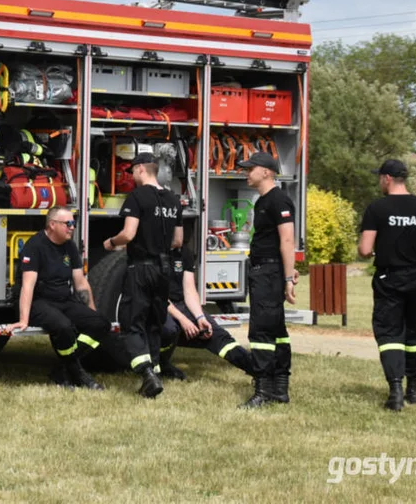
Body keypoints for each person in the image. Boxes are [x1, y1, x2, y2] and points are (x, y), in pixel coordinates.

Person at [358, 158, 416, 411]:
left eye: (380, 178)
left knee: (389, 334)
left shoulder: (377, 208)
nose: (379, 182)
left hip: (389, 278)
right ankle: (414, 390)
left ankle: (395, 389)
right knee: (414, 334)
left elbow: (365, 250)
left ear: (387, 178)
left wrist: (377, 251)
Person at [8, 206, 124, 390]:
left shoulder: (69, 246)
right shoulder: (35, 246)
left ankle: (65, 368)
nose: (72, 227)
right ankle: (78, 373)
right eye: (68, 223)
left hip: (63, 300)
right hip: (39, 302)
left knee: (101, 324)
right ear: (52, 225)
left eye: (73, 223)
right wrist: (23, 318)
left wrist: (91, 311)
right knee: (64, 327)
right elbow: (27, 286)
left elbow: (81, 284)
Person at [103, 151, 183, 398]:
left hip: (140, 268)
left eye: (132, 172)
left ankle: (147, 373)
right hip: (164, 269)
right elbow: (178, 240)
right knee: (154, 323)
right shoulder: (173, 199)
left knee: (132, 322)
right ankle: (156, 372)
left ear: (140, 170)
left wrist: (111, 242)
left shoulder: (136, 197)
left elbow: (128, 234)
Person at [236, 150, 297, 408]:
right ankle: (279, 388)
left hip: (269, 273)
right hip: (265, 271)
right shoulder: (262, 201)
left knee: (261, 330)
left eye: (251, 168)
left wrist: (288, 278)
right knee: (276, 330)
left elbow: (287, 240)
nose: (246, 173)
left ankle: (263, 390)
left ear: (266, 172)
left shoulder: (278, 200)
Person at [157, 246, 256, 381]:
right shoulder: (154, 252)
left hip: (181, 304)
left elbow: (189, 290)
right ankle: (159, 364)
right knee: (169, 329)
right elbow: (158, 295)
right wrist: (183, 320)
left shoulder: (184, 252)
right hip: (160, 305)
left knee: (216, 334)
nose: (181, 233)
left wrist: (200, 317)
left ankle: (257, 370)